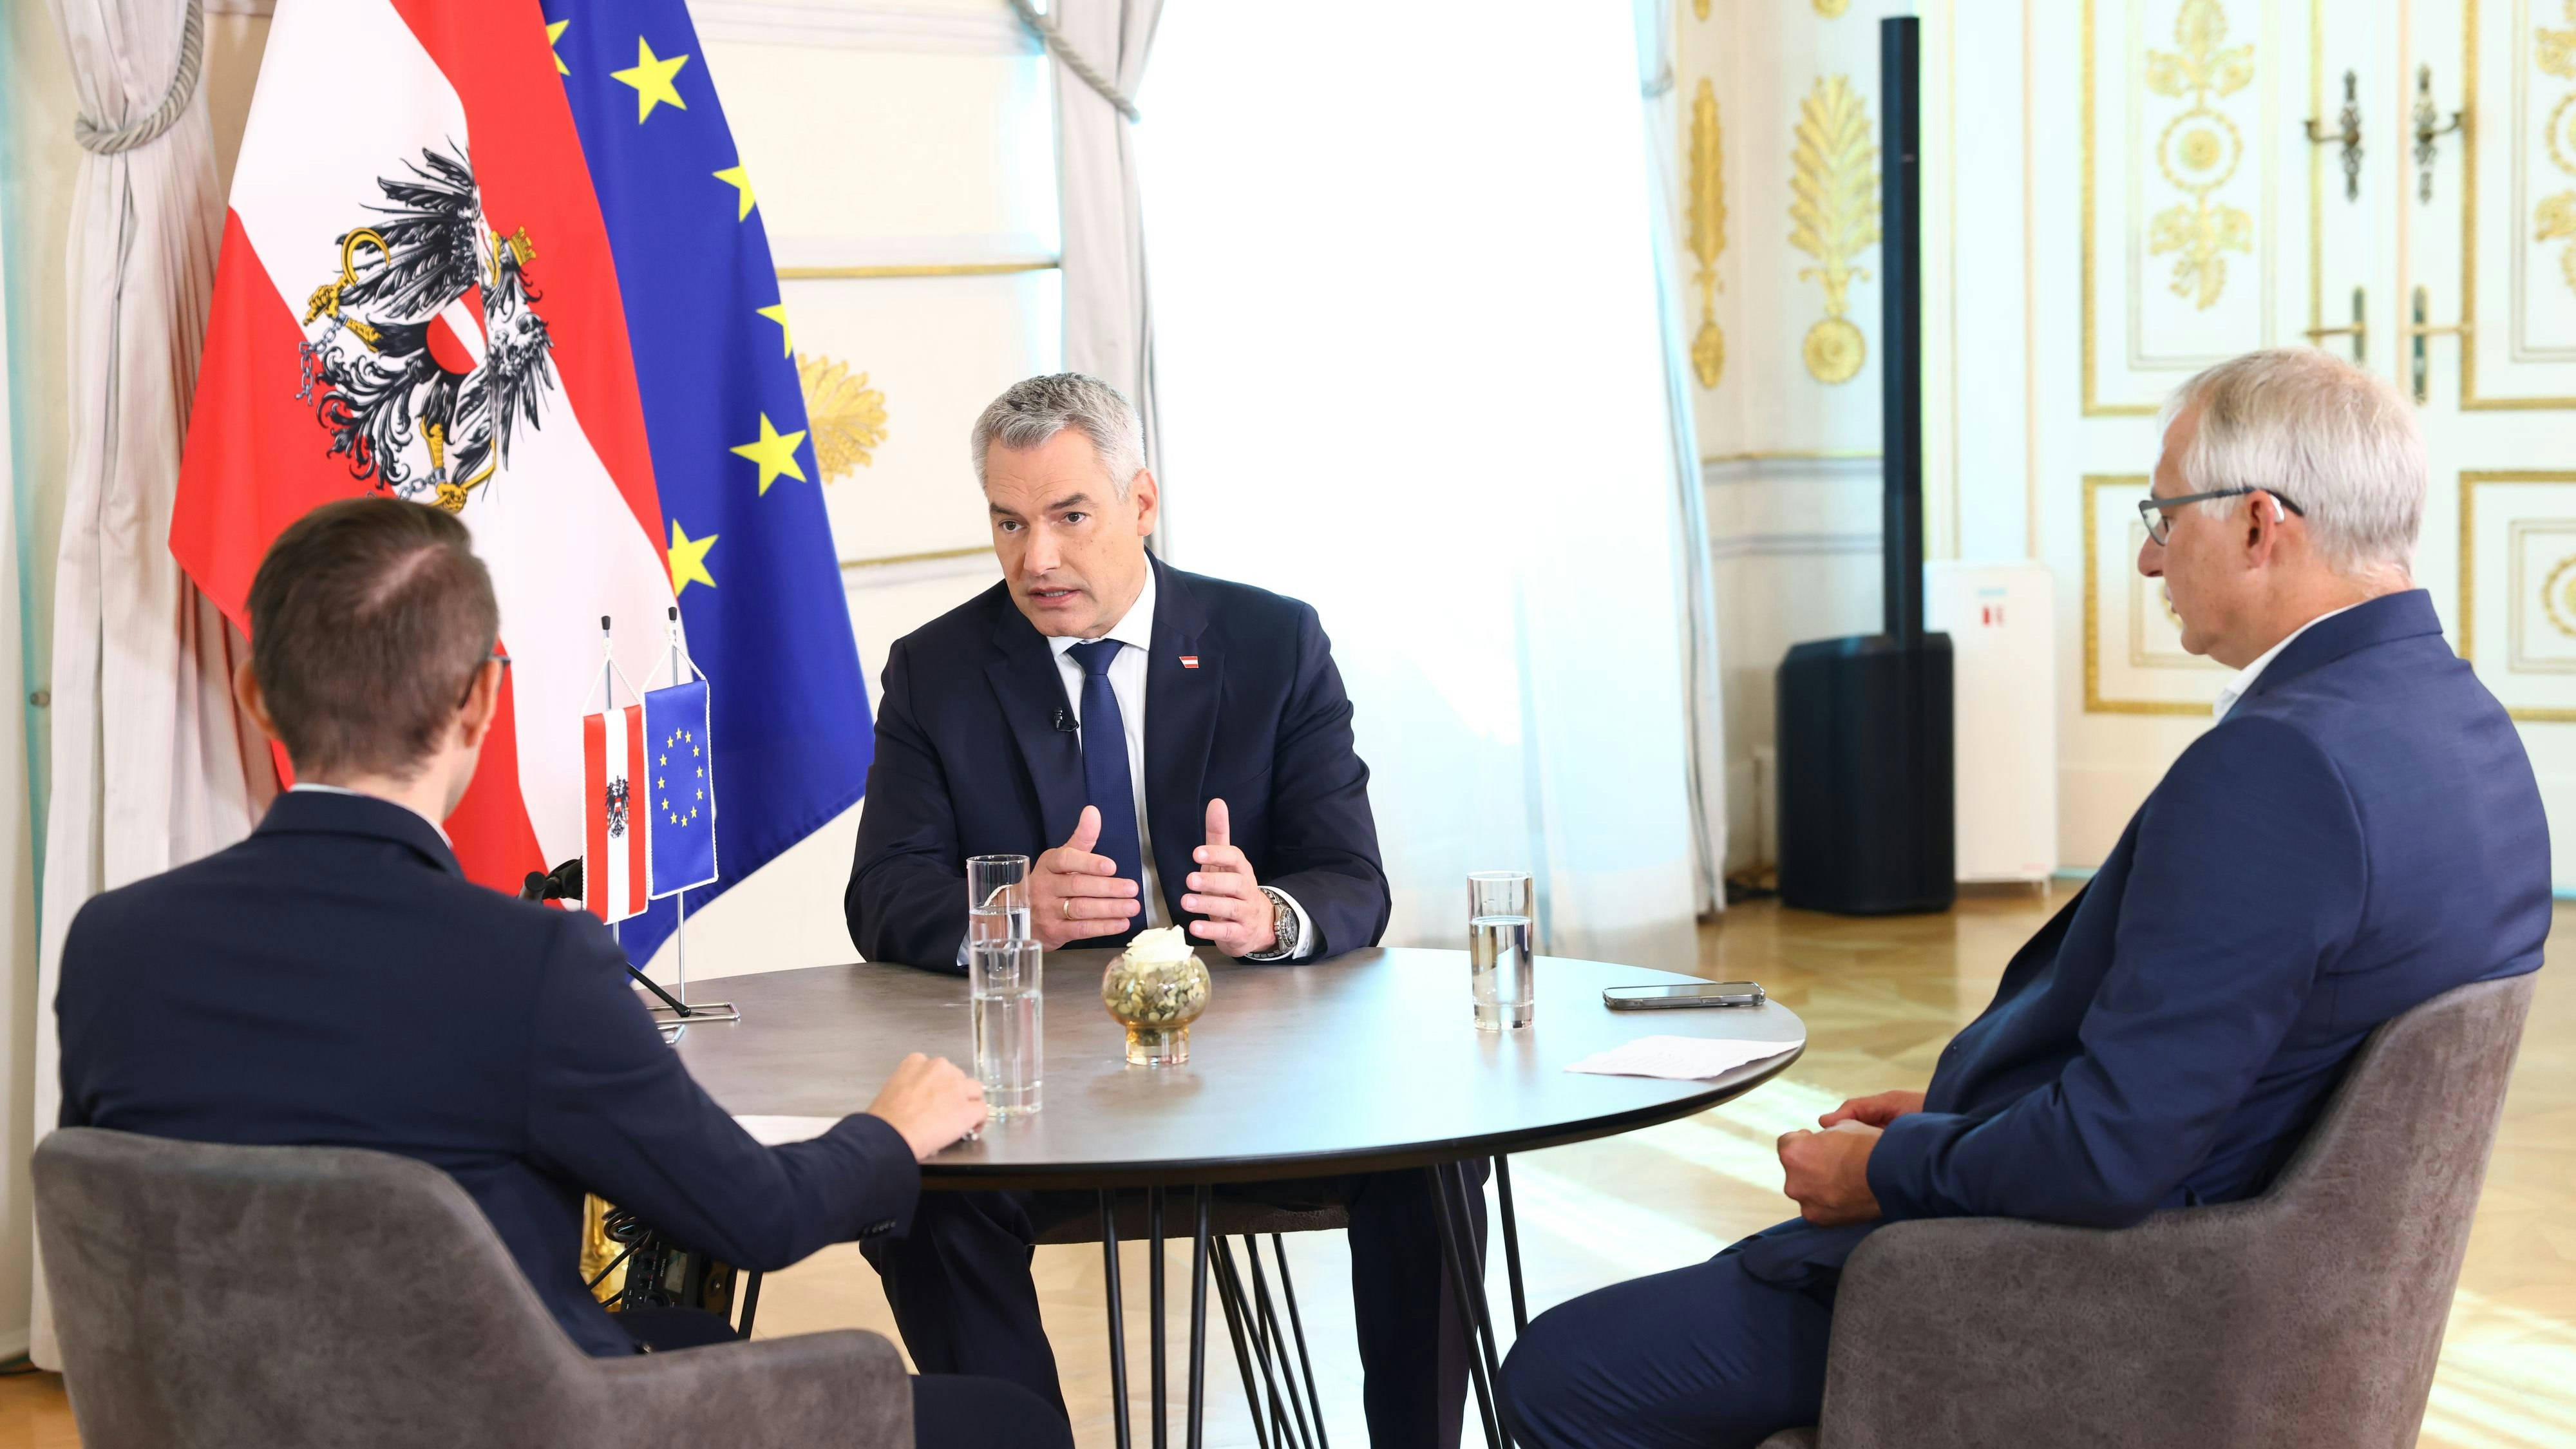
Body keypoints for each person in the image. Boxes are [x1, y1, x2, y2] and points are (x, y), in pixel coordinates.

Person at [1494, 347, 2552, 1449]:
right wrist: (1974, 1116)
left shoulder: (2279, 769)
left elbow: (2111, 1156)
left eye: (2163, 516)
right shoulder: (2461, 725)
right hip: (2263, 1296)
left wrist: (1889, 1170)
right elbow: (2225, 1074)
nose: (2149, 561)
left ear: (2256, 525)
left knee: (1563, 1374)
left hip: (2089, 1310)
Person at [55, 497, 1069, 1449]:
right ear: (480, 701)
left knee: (678, 1323)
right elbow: (759, 1216)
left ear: (255, 694)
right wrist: (885, 1135)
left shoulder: (110, 947)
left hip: (221, 1421)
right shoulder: (531, 964)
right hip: (510, 1423)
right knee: (1003, 1424)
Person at [846, 372, 1485, 1445]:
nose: (1035, 557)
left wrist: (1269, 913)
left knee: (1434, 1153)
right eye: (1009, 522)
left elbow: (1350, 876)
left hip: (1259, 1079)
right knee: (921, 1198)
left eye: (1069, 516)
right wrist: (1011, 907)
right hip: (1033, 1090)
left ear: (1143, 503)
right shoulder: (936, 671)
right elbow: (883, 894)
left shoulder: (1273, 641)